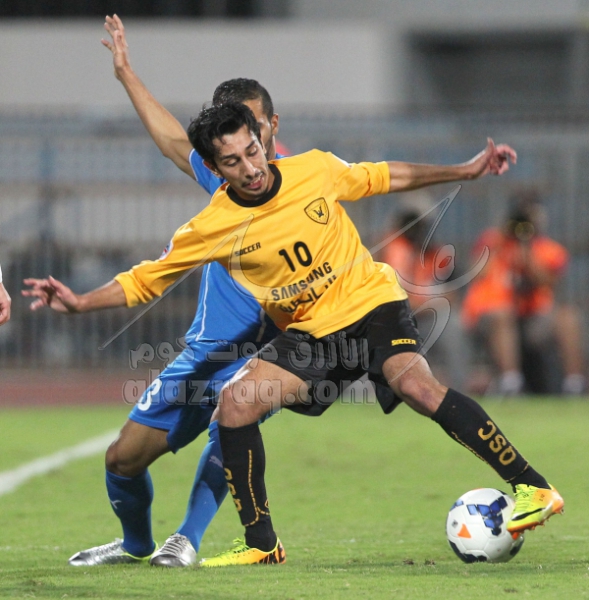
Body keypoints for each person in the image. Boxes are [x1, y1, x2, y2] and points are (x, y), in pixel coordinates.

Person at [24, 102, 564, 568]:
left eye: (252, 151)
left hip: (370, 301)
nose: (250, 168)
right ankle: (261, 543)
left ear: (262, 142)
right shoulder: (212, 225)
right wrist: (80, 301)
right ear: (214, 168)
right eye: (233, 162)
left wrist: (464, 170)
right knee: (236, 404)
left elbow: (385, 176)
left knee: (415, 384)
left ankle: (532, 486)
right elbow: (146, 279)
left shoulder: (314, 169)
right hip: (312, 330)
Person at [26, 15, 288, 569]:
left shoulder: (301, 184)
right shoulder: (225, 179)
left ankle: (186, 538)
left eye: (254, 127)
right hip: (201, 355)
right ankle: (135, 543)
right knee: (121, 459)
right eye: (232, 131)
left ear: (271, 126)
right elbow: (172, 141)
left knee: (232, 420)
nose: (245, 141)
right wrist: (126, 73)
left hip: (260, 354)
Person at [462, 192, 587, 395]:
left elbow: (547, 281)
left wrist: (527, 252)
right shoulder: (493, 241)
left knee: (568, 317)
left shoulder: (548, 249)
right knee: (502, 315)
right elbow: (475, 273)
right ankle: (511, 384)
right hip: (492, 317)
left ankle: (575, 384)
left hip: (531, 318)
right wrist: (501, 239)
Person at [378, 198, 469, 390]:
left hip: (426, 317)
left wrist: (430, 302)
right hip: (394, 319)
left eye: (420, 224)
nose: (415, 230)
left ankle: (459, 390)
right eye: (411, 223)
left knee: (452, 323)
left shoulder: (436, 253)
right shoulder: (389, 249)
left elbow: (453, 293)